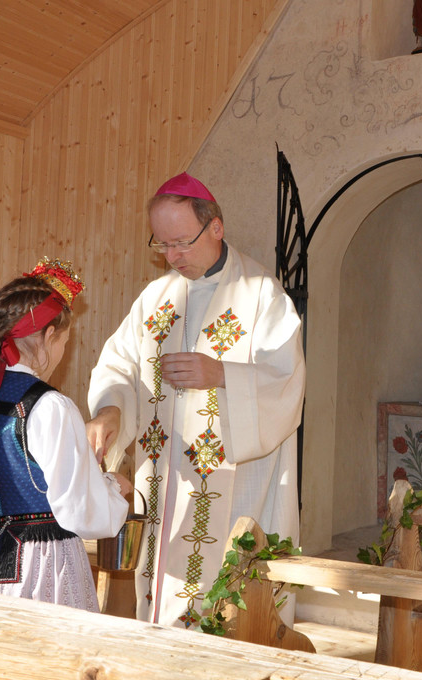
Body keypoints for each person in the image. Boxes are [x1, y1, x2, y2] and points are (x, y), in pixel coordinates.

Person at [87, 172, 306, 628]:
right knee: (164, 603)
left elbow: (285, 382)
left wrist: (221, 374)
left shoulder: (261, 294)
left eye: (181, 243)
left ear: (216, 227)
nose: (171, 257)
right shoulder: (156, 297)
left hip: (235, 483)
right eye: (162, 244)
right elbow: (120, 365)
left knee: (226, 609)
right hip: (164, 480)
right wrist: (110, 412)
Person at [0, 257, 132, 612]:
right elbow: (80, 511)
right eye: (64, 341)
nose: (62, 352)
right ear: (48, 336)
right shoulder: (51, 406)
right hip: (40, 569)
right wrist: (113, 488)